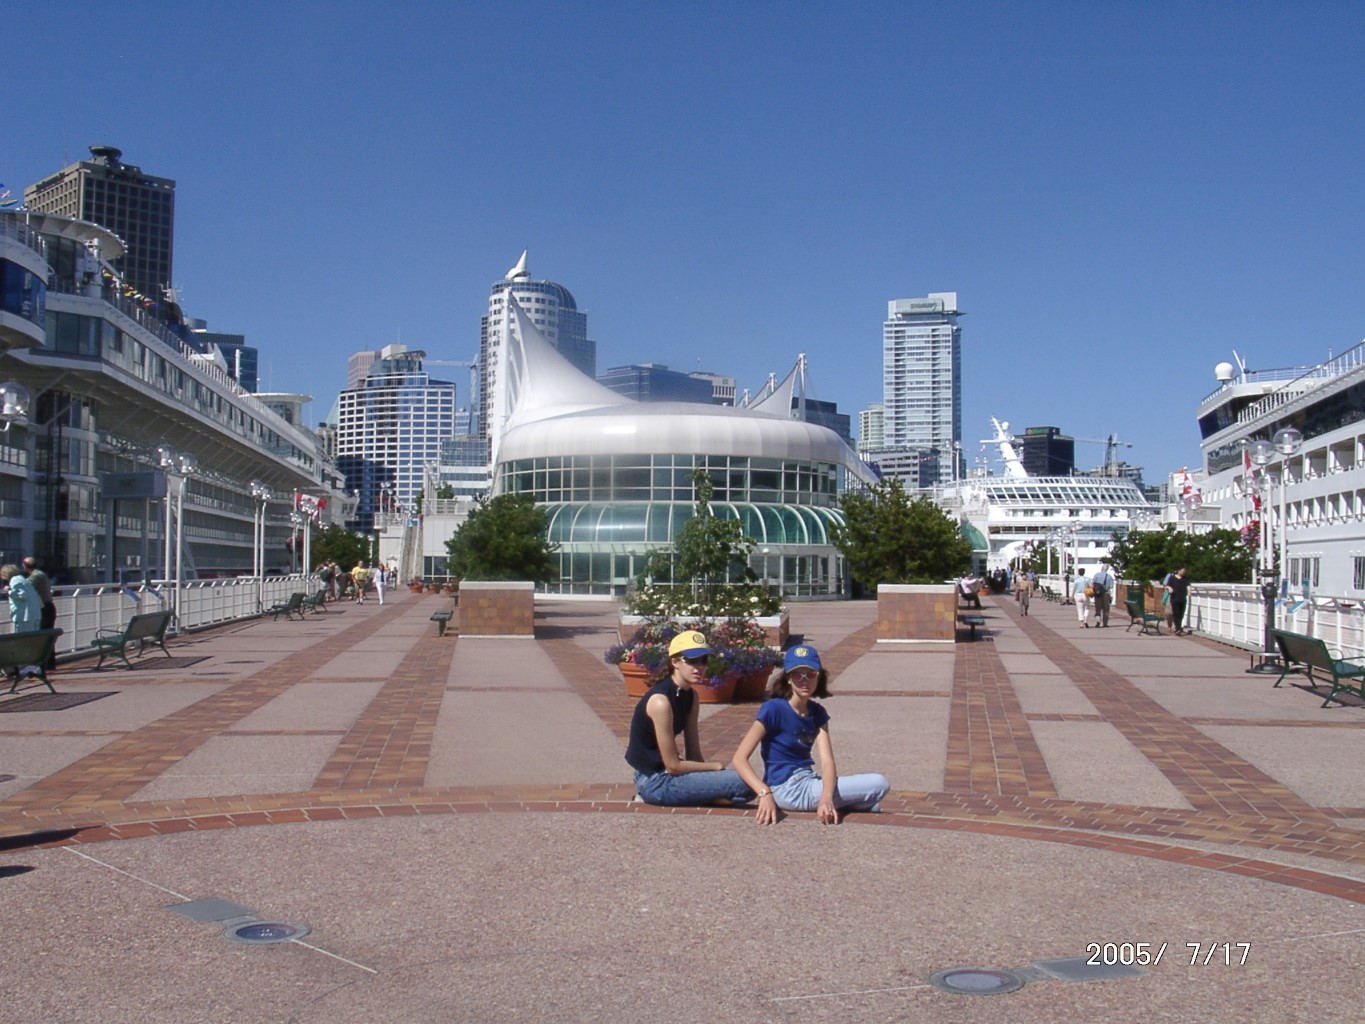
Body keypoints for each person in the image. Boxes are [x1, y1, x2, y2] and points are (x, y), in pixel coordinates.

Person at [731, 644, 889, 825]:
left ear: (819, 677)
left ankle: (844, 803)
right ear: (788, 679)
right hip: (786, 787)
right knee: (879, 784)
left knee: (873, 799)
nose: (804, 681)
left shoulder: (818, 713)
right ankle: (850, 803)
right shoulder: (773, 709)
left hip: (809, 781)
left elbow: (827, 761)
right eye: (797, 675)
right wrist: (763, 792)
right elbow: (739, 759)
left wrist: (826, 798)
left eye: (811, 674)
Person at [625, 629, 755, 807]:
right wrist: (714, 767)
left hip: (673, 775)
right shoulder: (660, 702)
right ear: (675, 662)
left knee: (747, 783)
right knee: (745, 782)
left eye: (704, 660)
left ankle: (701, 796)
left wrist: (709, 779)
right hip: (655, 781)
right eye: (692, 660)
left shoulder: (691, 696)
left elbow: (693, 753)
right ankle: (657, 796)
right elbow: (673, 765)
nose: (699, 667)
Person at [22, 556, 57, 668]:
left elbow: (25, 586)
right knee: (47, 635)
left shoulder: (36, 576)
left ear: (25, 566)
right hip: (49, 607)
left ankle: (43, 663)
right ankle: (50, 662)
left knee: (43, 636)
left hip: (44, 608)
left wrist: (10, 587)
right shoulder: (41, 574)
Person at [0, 564, 42, 633]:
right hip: (35, 614)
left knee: (20, 637)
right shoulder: (24, 579)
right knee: (32, 637)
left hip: (24, 617)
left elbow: (22, 594)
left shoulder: (14, 580)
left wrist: (9, 591)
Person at [1164, 566, 1191, 634]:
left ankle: (1178, 627)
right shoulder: (1172, 578)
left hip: (1182, 599)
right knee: (1176, 614)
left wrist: (1189, 591)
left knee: (1181, 614)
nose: (1184, 572)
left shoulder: (1185, 579)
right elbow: (1167, 585)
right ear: (1179, 571)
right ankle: (1178, 629)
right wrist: (1169, 588)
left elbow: (1188, 585)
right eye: (1183, 571)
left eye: (1184, 571)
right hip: (1175, 599)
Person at [1091, 560, 1115, 628]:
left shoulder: (1096, 575)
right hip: (1106, 593)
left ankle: (1098, 622)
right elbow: (1111, 587)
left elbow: (1093, 584)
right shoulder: (1109, 577)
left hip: (1097, 594)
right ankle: (1105, 623)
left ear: (1102, 568)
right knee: (1106, 609)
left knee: (1098, 608)